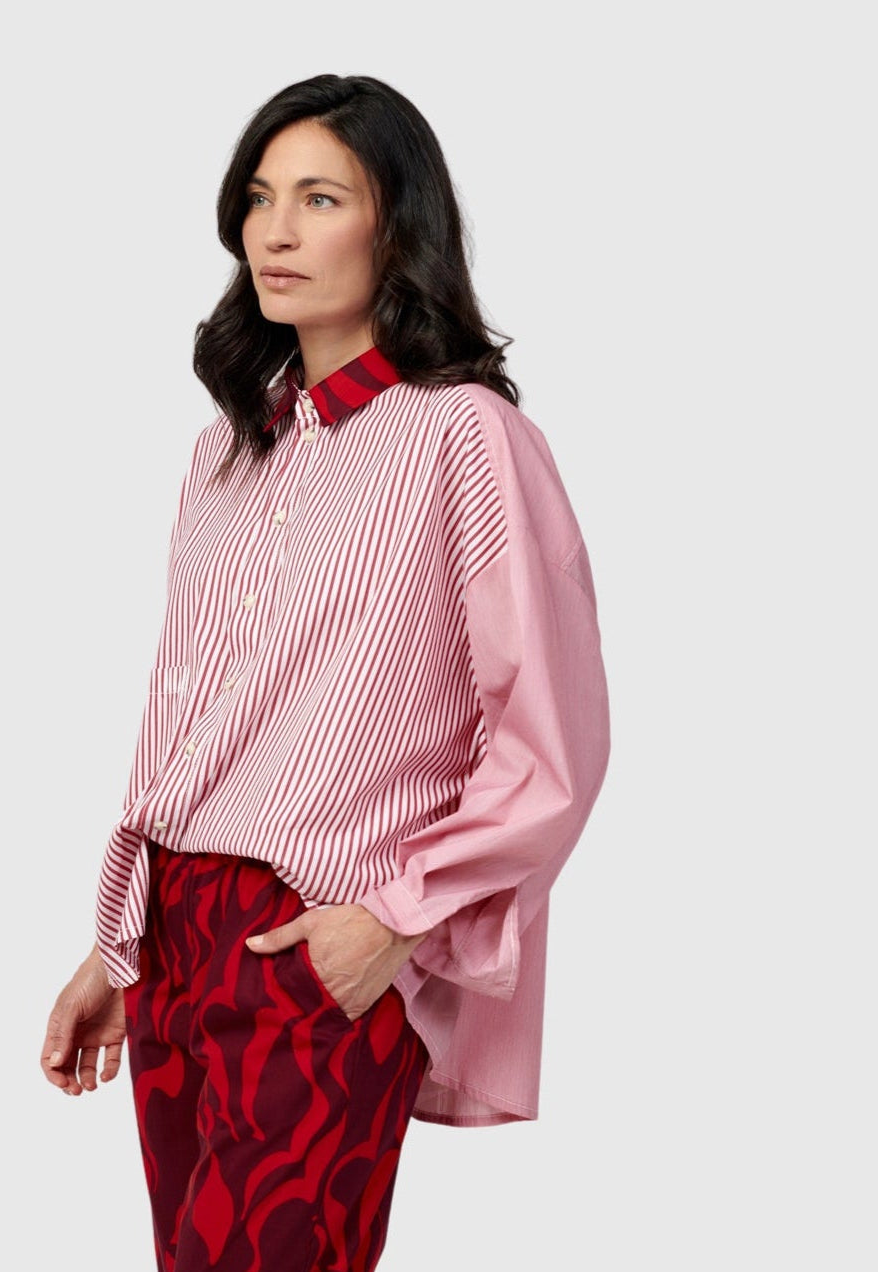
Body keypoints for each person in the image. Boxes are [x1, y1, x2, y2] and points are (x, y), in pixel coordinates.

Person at [41, 72, 611, 1272]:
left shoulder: (464, 437)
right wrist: (117, 944)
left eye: (318, 198)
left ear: (395, 224)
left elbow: (548, 737)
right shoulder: (223, 450)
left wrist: (394, 923)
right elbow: (193, 716)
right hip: (175, 932)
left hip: (309, 936)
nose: (276, 232)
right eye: (259, 198)